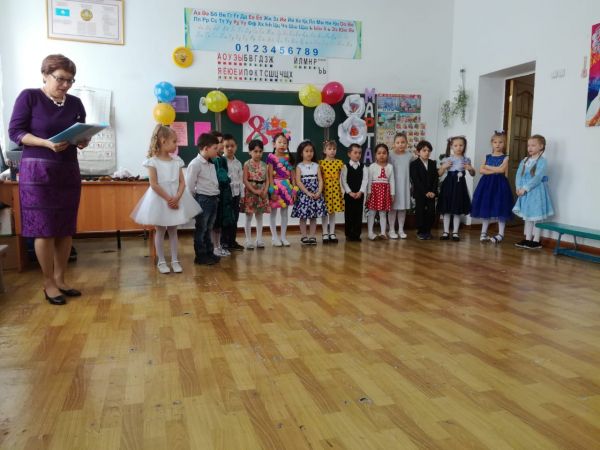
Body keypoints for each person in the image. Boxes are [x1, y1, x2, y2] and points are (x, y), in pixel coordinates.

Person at [8, 54, 88, 305]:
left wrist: (83, 140)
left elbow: (80, 134)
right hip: (37, 173)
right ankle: (48, 282)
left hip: (67, 170)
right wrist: (45, 143)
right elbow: (15, 132)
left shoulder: (76, 103)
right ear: (45, 74)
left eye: (70, 80)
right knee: (44, 229)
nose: (65, 85)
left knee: (65, 227)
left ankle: (61, 279)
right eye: (60, 79)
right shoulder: (29, 97)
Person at [130, 125, 201, 273]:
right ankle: (161, 261)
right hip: (160, 199)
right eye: (174, 141)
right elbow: (154, 184)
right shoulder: (152, 162)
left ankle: (175, 260)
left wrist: (177, 197)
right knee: (160, 230)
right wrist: (169, 199)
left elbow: (182, 182)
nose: (176, 145)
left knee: (173, 230)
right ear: (163, 141)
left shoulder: (177, 161)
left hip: (176, 198)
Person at [471, 131, 514, 244]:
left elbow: (501, 170)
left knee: (501, 208)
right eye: (495, 142)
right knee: (486, 207)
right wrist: (494, 170)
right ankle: (483, 233)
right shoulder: (487, 156)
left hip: (500, 185)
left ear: (504, 144)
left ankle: (501, 234)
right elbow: (481, 170)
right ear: (492, 143)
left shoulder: (505, 157)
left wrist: (488, 167)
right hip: (486, 185)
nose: (498, 144)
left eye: (500, 142)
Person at [513, 134, 554, 249]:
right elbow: (519, 175)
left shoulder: (542, 161)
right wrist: (518, 187)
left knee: (536, 216)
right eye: (528, 145)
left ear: (541, 146)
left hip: (536, 192)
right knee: (527, 216)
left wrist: (525, 188)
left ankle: (536, 240)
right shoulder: (525, 160)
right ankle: (527, 238)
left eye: (533, 145)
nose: (530, 148)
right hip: (525, 192)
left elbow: (538, 177)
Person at [185, 133, 221, 265]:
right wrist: (193, 203)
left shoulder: (211, 163)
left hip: (213, 199)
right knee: (202, 228)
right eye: (215, 148)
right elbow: (189, 186)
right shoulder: (195, 164)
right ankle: (200, 256)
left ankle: (209, 252)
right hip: (203, 200)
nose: (217, 151)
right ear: (206, 148)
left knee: (209, 228)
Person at [437, 136, 475, 241]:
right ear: (451, 146)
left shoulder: (466, 160)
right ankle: (445, 232)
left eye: (461, 145)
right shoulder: (448, 159)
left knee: (457, 209)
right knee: (446, 209)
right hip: (449, 186)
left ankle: (455, 232)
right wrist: (443, 167)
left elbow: (473, 174)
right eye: (456, 145)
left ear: (464, 146)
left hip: (460, 187)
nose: (458, 147)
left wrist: (470, 169)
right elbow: (439, 174)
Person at [291, 140, 327, 245]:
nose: (309, 153)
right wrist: (307, 193)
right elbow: (298, 181)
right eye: (306, 151)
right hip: (304, 194)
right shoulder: (299, 166)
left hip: (315, 193)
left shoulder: (316, 165)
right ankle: (304, 236)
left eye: (311, 151)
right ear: (301, 153)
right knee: (303, 216)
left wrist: (319, 191)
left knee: (313, 217)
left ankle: (312, 236)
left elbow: (320, 180)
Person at [267, 133, 297, 247]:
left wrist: (294, 189)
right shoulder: (271, 157)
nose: (282, 145)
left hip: (286, 187)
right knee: (273, 212)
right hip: (275, 186)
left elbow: (292, 174)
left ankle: (283, 237)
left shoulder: (289, 157)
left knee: (284, 212)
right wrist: (272, 190)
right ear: (274, 144)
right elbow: (270, 175)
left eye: (285, 143)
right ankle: (274, 237)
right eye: (279, 142)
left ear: (287, 145)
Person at [240, 139, 271, 249]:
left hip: (262, 193)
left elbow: (267, 180)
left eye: (260, 151)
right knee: (248, 217)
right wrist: (254, 191)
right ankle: (248, 240)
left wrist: (265, 191)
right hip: (250, 193)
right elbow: (245, 180)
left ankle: (259, 239)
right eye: (255, 151)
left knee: (259, 217)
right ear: (250, 152)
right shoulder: (247, 164)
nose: (258, 154)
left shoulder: (264, 165)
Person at [210, 131, 234, 257]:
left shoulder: (223, 159)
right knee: (214, 222)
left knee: (220, 222)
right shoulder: (210, 160)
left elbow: (225, 175)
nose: (220, 145)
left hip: (224, 194)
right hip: (214, 194)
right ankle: (213, 247)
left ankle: (219, 245)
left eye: (221, 142)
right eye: (218, 142)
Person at [365, 143, 395, 240]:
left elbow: (392, 181)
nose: (381, 155)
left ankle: (383, 232)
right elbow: (369, 180)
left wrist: (392, 194)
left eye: (384, 153)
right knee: (372, 213)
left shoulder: (390, 167)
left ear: (387, 154)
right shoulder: (372, 166)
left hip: (385, 192)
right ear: (375, 155)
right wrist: (369, 192)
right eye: (379, 153)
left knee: (383, 213)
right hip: (374, 192)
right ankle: (370, 232)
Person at [410, 140, 438, 240]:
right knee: (420, 211)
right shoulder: (414, 164)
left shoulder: (432, 163)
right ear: (418, 152)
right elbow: (416, 180)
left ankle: (428, 231)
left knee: (431, 212)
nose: (427, 152)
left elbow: (435, 179)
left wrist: (433, 191)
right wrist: (425, 192)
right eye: (424, 150)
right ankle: (421, 231)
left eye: (429, 151)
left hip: (431, 193)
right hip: (420, 193)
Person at [388, 132, 414, 239]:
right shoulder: (389, 155)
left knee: (402, 209)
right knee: (392, 208)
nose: (400, 144)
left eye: (403, 142)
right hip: (392, 185)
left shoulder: (410, 156)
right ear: (394, 144)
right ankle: (391, 230)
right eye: (398, 142)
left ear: (407, 143)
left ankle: (401, 230)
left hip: (404, 185)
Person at [221, 134, 244, 251]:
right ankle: (224, 242)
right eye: (227, 146)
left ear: (236, 147)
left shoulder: (238, 163)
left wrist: (242, 195)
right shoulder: (220, 161)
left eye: (232, 146)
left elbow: (240, 180)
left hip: (236, 195)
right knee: (226, 219)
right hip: (225, 196)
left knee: (234, 219)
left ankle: (232, 241)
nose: (230, 148)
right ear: (222, 147)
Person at [319, 140, 344, 243]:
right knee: (325, 212)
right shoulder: (321, 163)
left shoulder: (339, 163)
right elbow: (319, 179)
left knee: (333, 213)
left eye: (334, 149)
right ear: (325, 150)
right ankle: (325, 232)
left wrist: (343, 191)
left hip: (335, 190)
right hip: (325, 191)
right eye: (329, 149)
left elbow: (342, 178)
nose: (332, 151)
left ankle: (332, 232)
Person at [341, 144, 368, 242]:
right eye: (355, 152)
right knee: (349, 214)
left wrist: (361, 191)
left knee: (358, 214)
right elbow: (344, 181)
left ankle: (357, 234)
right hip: (349, 195)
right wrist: (349, 192)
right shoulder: (345, 167)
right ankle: (349, 234)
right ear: (349, 154)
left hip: (359, 195)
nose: (358, 155)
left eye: (359, 153)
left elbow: (365, 180)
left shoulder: (363, 167)